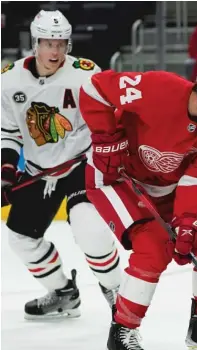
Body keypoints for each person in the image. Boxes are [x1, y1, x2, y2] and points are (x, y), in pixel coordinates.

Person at [79, 52, 197, 350]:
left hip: (167, 191)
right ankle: (122, 333)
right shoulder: (156, 87)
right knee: (153, 245)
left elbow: (195, 183)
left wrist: (188, 224)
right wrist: (106, 137)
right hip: (116, 180)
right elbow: (94, 87)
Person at [1, 10, 121, 320]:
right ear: (35, 42)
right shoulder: (8, 79)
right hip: (40, 170)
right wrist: (5, 171)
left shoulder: (85, 73)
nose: (55, 51)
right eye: (48, 43)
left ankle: (119, 294)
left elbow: (107, 120)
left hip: (81, 162)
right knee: (20, 237)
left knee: (88, 226)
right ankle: (64, 293)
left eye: (61, 44)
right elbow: (9, 132)